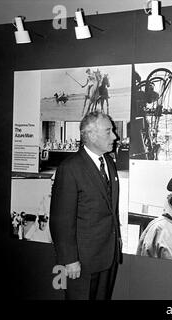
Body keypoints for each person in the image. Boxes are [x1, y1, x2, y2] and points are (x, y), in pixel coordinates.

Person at [49, 111, 122, 300]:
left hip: (107, 258)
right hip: (81, 263)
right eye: (108, 131)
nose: (115, 136)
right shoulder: (70, 168)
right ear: (90, 135)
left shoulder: (109, 163)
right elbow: (60, 220)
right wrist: (69, 259)